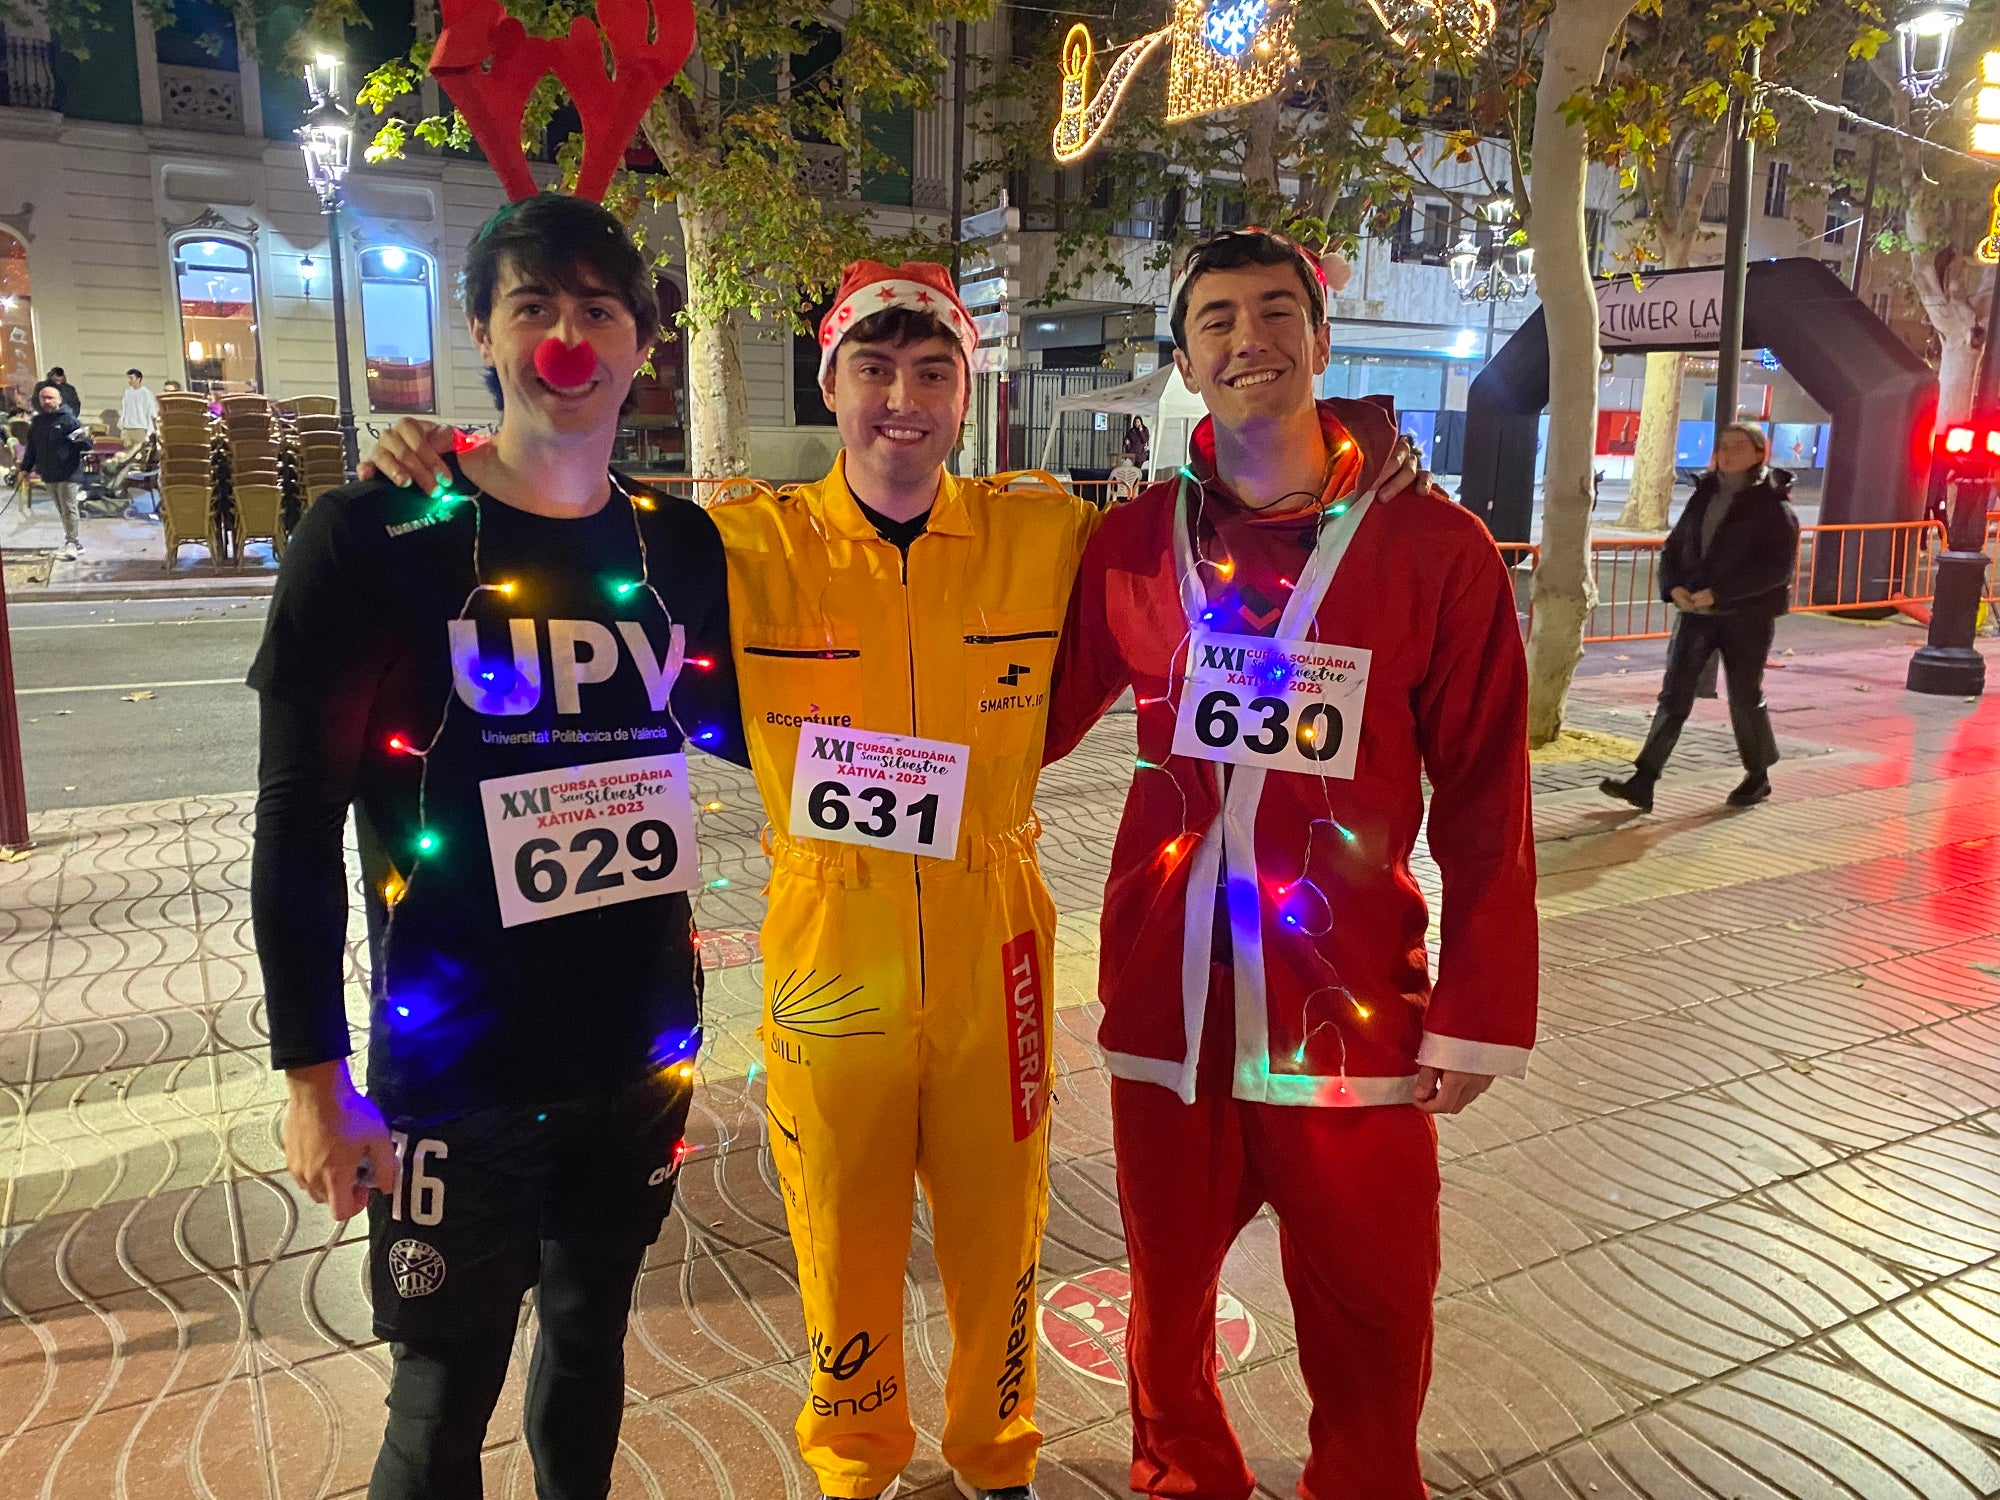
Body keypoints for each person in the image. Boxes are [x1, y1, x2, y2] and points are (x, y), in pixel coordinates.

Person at [249, 192, 744, 1500]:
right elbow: (294, 818)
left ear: (645, 342)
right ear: (482, 330)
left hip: (640, 1045)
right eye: (535, 308)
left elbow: (766, 724)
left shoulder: (679, 548)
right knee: (441, 1392)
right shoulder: (379, 538)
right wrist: (314, 1074)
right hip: (453, 1065)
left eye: (598, 311)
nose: (567, 341)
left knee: (589, 1338)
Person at [1043, 227, 1539, 1500]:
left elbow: (1486, 790)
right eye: (1214, 320)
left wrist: (1478, 1016)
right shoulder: (1132, 543)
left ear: (1321, 343)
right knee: (1163, 1305)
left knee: (1373, 1310)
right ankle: (1183, 1479)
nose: (1245, 338)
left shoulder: (1437, 548)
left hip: (1349, 1005)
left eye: (1274, 313)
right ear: (1185, 363)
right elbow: (1017, 725)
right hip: (1170, 1000)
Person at [1600, 422, 1798, 813]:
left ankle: (1758, 774)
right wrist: (1673, 586)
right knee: (1674, 694)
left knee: (1744, 696)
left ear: (1760, 453)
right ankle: (1644, 779)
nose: (1727, 453)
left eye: (1738, 447)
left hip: (1747, 618)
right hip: (1696, 613)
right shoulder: (1703, 495)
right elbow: (1675, 547)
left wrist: (1722, 593)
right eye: (1723, 446)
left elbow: (1776, 569)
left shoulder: (1773, 505)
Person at [15, 381, 93, 559]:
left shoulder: (69, 419)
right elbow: (32, 449)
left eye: (50, 397)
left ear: (59, 400)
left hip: (68, 472)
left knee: (69, 507)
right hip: (48, 473)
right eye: (43, 398)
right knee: (61, 508)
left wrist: (82, 440)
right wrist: (24, 469)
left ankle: (72, 542)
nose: (46, 401)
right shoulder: (37, 422)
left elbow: (87, 445)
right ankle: (73, 542)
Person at [119, 368, 159, 449]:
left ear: (138, 379)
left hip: (140, 428)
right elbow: (125, 409)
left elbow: (152, 412)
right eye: (128, 378)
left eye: (131, 378)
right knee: (126, 453)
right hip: (127, 428)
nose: (129, 380)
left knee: (139, 453)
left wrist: (149, 431)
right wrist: (122, 423)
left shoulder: (146, 394)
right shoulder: (127, 392)